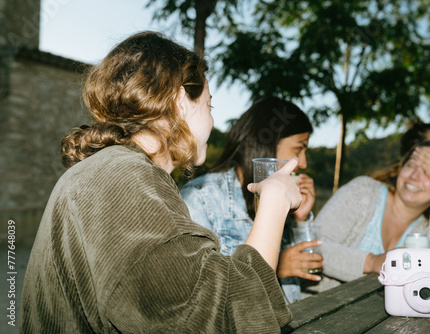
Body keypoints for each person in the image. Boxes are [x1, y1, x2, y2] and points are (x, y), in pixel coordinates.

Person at [20, 31, 303, 333]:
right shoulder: (123, 179)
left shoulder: (117, 171)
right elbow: (221, 317)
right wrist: (274, 200)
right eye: (210, 106)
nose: (212, 121)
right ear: (181, 100)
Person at [180, 97, 322, 304]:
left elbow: (309, 271)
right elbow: (199, 291)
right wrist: (274, 266)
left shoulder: (283, 201)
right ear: (268, 143)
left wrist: (301, 219)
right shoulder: (200, 196)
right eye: (299, 148)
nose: (304, 163)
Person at [308, 141, 430, 292]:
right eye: (411, 165)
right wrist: (372, 262)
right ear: (400, 168)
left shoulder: (427, 229)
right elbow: (312, 247)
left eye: (429, 173)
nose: (415, 176)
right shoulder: (363, 192)